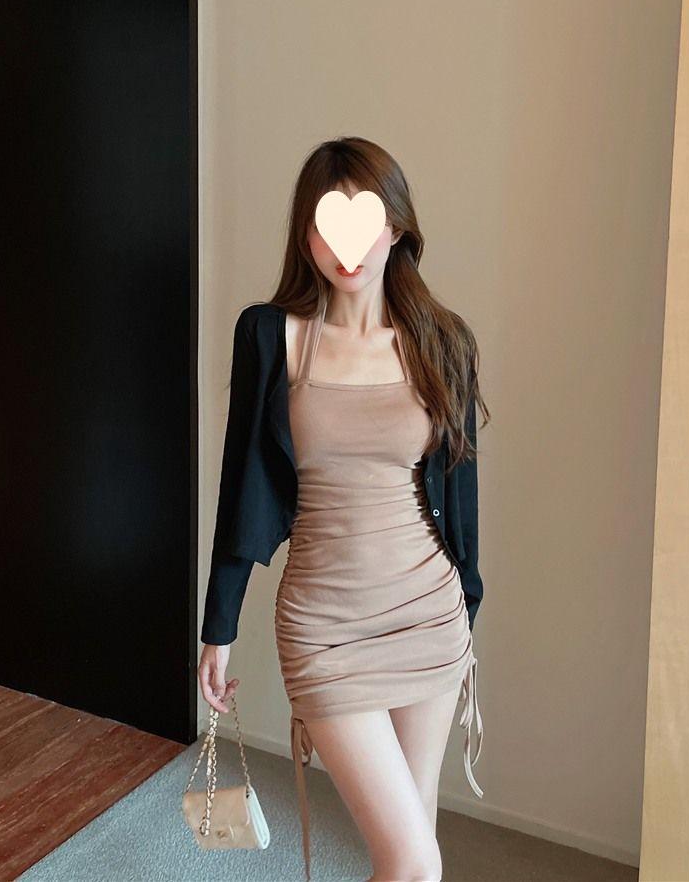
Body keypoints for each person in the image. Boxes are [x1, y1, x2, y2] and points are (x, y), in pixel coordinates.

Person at [198, 136, 488, 882]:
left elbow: (461, 504)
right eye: (328, 224)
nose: (347, 247)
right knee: (413, 860)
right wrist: (219, 626)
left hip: (427, 617)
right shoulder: (271, 337)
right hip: (324, 626)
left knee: (415, 848)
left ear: (396, 228)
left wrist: (467, 614)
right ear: (307, 236)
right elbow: (240, 485)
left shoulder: (443, 342)